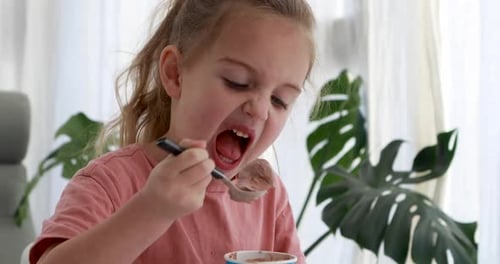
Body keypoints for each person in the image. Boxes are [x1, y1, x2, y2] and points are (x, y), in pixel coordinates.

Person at [30, 0, 316, 263]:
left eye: (280, 100)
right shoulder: (111, 183)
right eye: (237, 82)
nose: (261, 110)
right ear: (175, 74)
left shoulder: (268, 197)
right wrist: (152, 211)